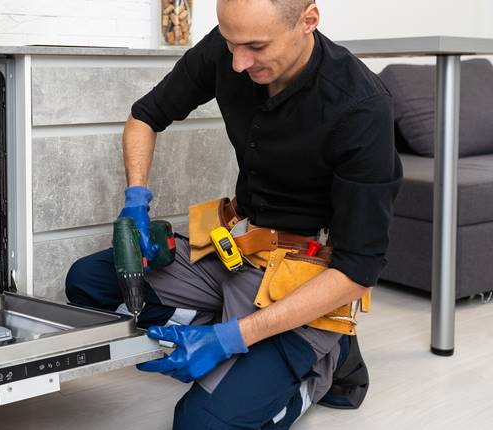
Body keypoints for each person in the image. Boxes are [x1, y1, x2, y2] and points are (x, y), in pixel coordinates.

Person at [65, 0, 403, 428]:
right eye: (231, 44)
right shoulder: (230, 47)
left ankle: (328, 358)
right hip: (235, 252)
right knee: (87, 284)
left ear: (308, 21)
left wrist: (228, 339)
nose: (239, 63)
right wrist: (135, 201)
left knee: (201, 423)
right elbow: (144, 117)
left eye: (256, 47)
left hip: (303, 276)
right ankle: (239, 337)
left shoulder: (361, 107)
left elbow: (357, 271)